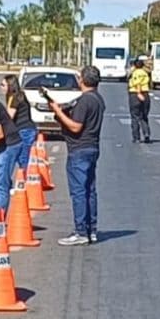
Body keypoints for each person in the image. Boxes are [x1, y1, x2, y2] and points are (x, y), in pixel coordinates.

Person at [45, 67, 105, 246]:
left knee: (79, 191)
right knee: (89, 190)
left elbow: (75, 126)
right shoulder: (97, 99)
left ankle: (80, 231)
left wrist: (58, 112)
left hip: (79, 149)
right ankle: (91, 229)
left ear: (82, 80)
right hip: (92, 147)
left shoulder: (85, 101)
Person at [0, 75, 36, 216]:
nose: (1, 87)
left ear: (10, 85)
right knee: (21, 159)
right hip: (24, 130)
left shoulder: (15, 98)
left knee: (23, 160)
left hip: (24, 131)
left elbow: (9, 117)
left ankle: (23, 185)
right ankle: (21, 183)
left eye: (3, 84)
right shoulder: (17, 96)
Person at [128, 58, 153, 144]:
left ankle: (136, 137)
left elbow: (137, 83)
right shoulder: (145, 73)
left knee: (135, 117)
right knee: (144, 116)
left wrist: (138, 93)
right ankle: (146, 133)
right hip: (145, 94)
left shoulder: (135, 73)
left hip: (135, 94)